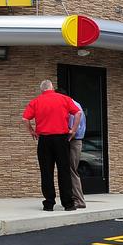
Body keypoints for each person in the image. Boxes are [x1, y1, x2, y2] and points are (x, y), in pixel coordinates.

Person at [22, 79, 82, 212]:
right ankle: (68, 204)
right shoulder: (64, 99)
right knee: (64, 171)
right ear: (52, 87)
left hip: (44, 140)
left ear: (42, 90)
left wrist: (32, 131)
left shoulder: (36, 101)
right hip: (61, 138)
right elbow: (78, 112)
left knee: (46, 172)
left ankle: (49, 203)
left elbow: (25, 118)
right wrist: (73, 129)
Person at [59, 90, 87, 210]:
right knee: (71, 169)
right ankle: (75, 198)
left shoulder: (71, 106)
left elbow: (72, 128)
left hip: (73, 141)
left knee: (71, 170)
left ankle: (79, 200)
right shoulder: (76, 104)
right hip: (76, 140)